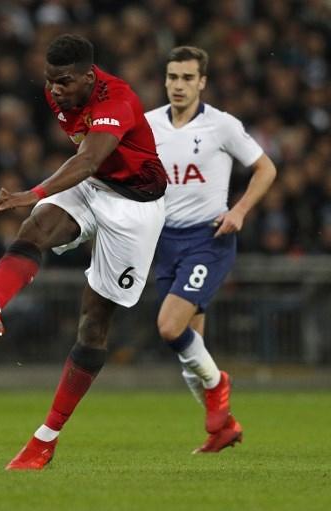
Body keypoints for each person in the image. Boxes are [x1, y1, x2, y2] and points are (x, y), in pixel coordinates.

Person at [0, 34, 167, 470]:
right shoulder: (57, 92)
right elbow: (87, 167)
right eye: (50, 81)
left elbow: (86, 159)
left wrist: (35, 190)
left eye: (64, 81)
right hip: (96, 185)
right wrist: (42, 201)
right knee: (37, 225)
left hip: (136, 207)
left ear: (89, 75)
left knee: (93, 324)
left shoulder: (117, 99)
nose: (56, 90)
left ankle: (46, 439)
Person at [145, 46, 276, 453]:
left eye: (187, 78)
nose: (178, 86)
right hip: (164, 241)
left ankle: (220, 384)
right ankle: (224, 429)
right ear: (164, 80)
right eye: (172, 77)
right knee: (190, 357)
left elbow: (265, 168)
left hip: (208, 239)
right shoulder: (148, 125)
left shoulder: (222, 126)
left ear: (202, 81)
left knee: (169, 327)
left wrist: (239, 210)